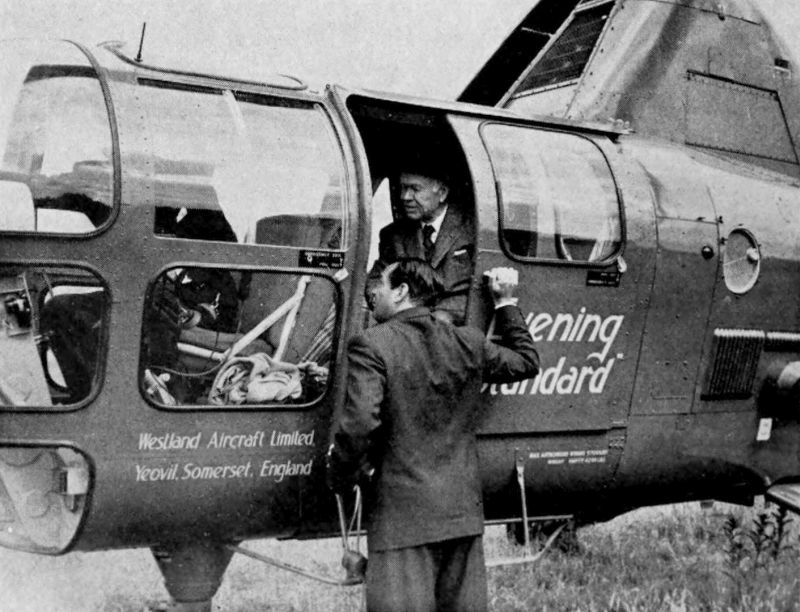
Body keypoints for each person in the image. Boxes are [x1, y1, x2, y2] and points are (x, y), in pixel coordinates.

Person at [328, 258, 539, 612]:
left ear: (401, 292)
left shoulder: (371, 344)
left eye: (380, 285)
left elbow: (361, 423)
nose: (373, 294)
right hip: (461, 516)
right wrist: (505, 303)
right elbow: (526, 361)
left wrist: (340, 476)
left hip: (402, 521)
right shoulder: (467, 341)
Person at [375, 167, 474, 325]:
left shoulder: (473, 229)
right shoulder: (393, 235)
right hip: (403, 326)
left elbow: (475, 293)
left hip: (453, 328)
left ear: (442, 193)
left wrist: (437, 319)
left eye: (415, 189)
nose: (405, 197)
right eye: (403, 188)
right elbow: (376, 281)